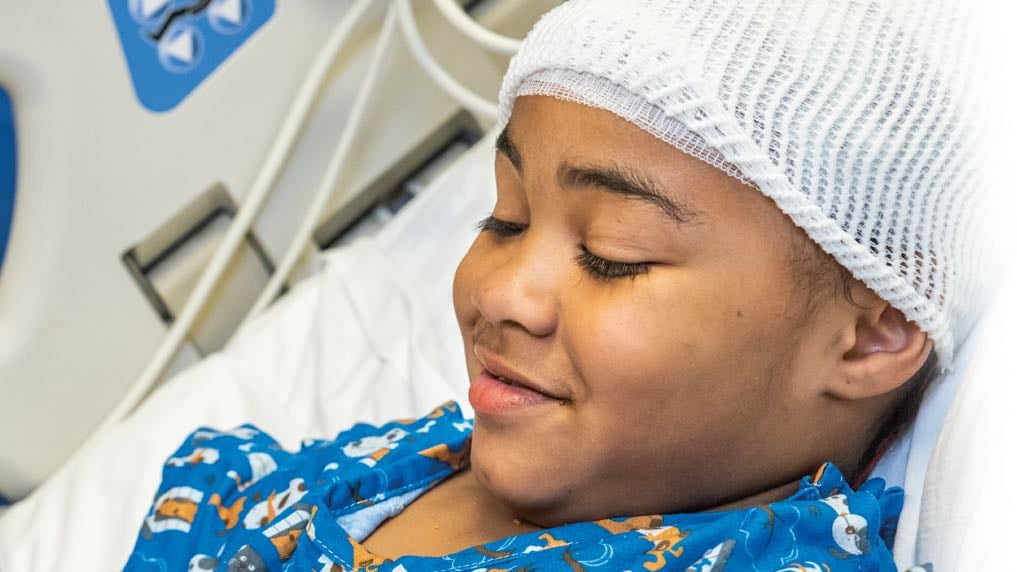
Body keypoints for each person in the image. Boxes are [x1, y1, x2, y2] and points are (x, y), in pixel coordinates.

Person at [124, 0, 993, 570]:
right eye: (502, 218)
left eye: (613, 254)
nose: (501, 291)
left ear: (867, 334)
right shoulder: (413, 460)